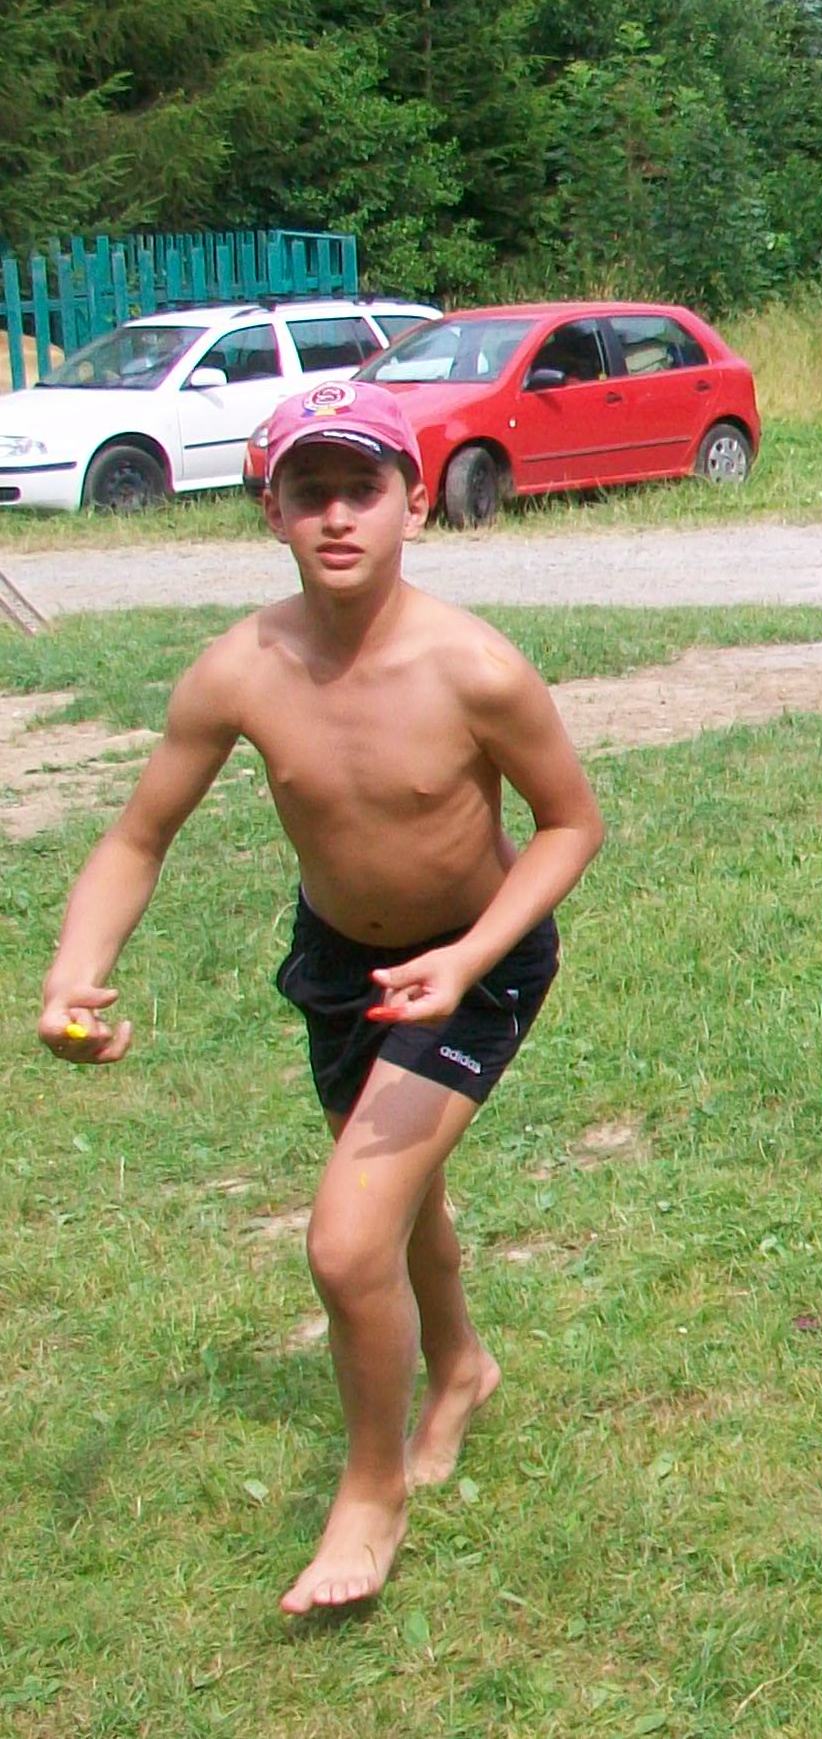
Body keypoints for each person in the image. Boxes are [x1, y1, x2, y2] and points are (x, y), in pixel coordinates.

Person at [36, 381, 605, 1614]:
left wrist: (470, 957)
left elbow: (571, 824)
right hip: (341, 968)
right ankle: (460, 1365)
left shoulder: (474, 667)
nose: (338, 515)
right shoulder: (240, 669)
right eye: (310, 493)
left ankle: (369, 1492)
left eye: (363, 489)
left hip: (476, 964)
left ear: (414, 503)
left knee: (347, 1240)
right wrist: (74, 968)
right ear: (273, 512)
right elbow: (137, 836)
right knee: (395, 1199)